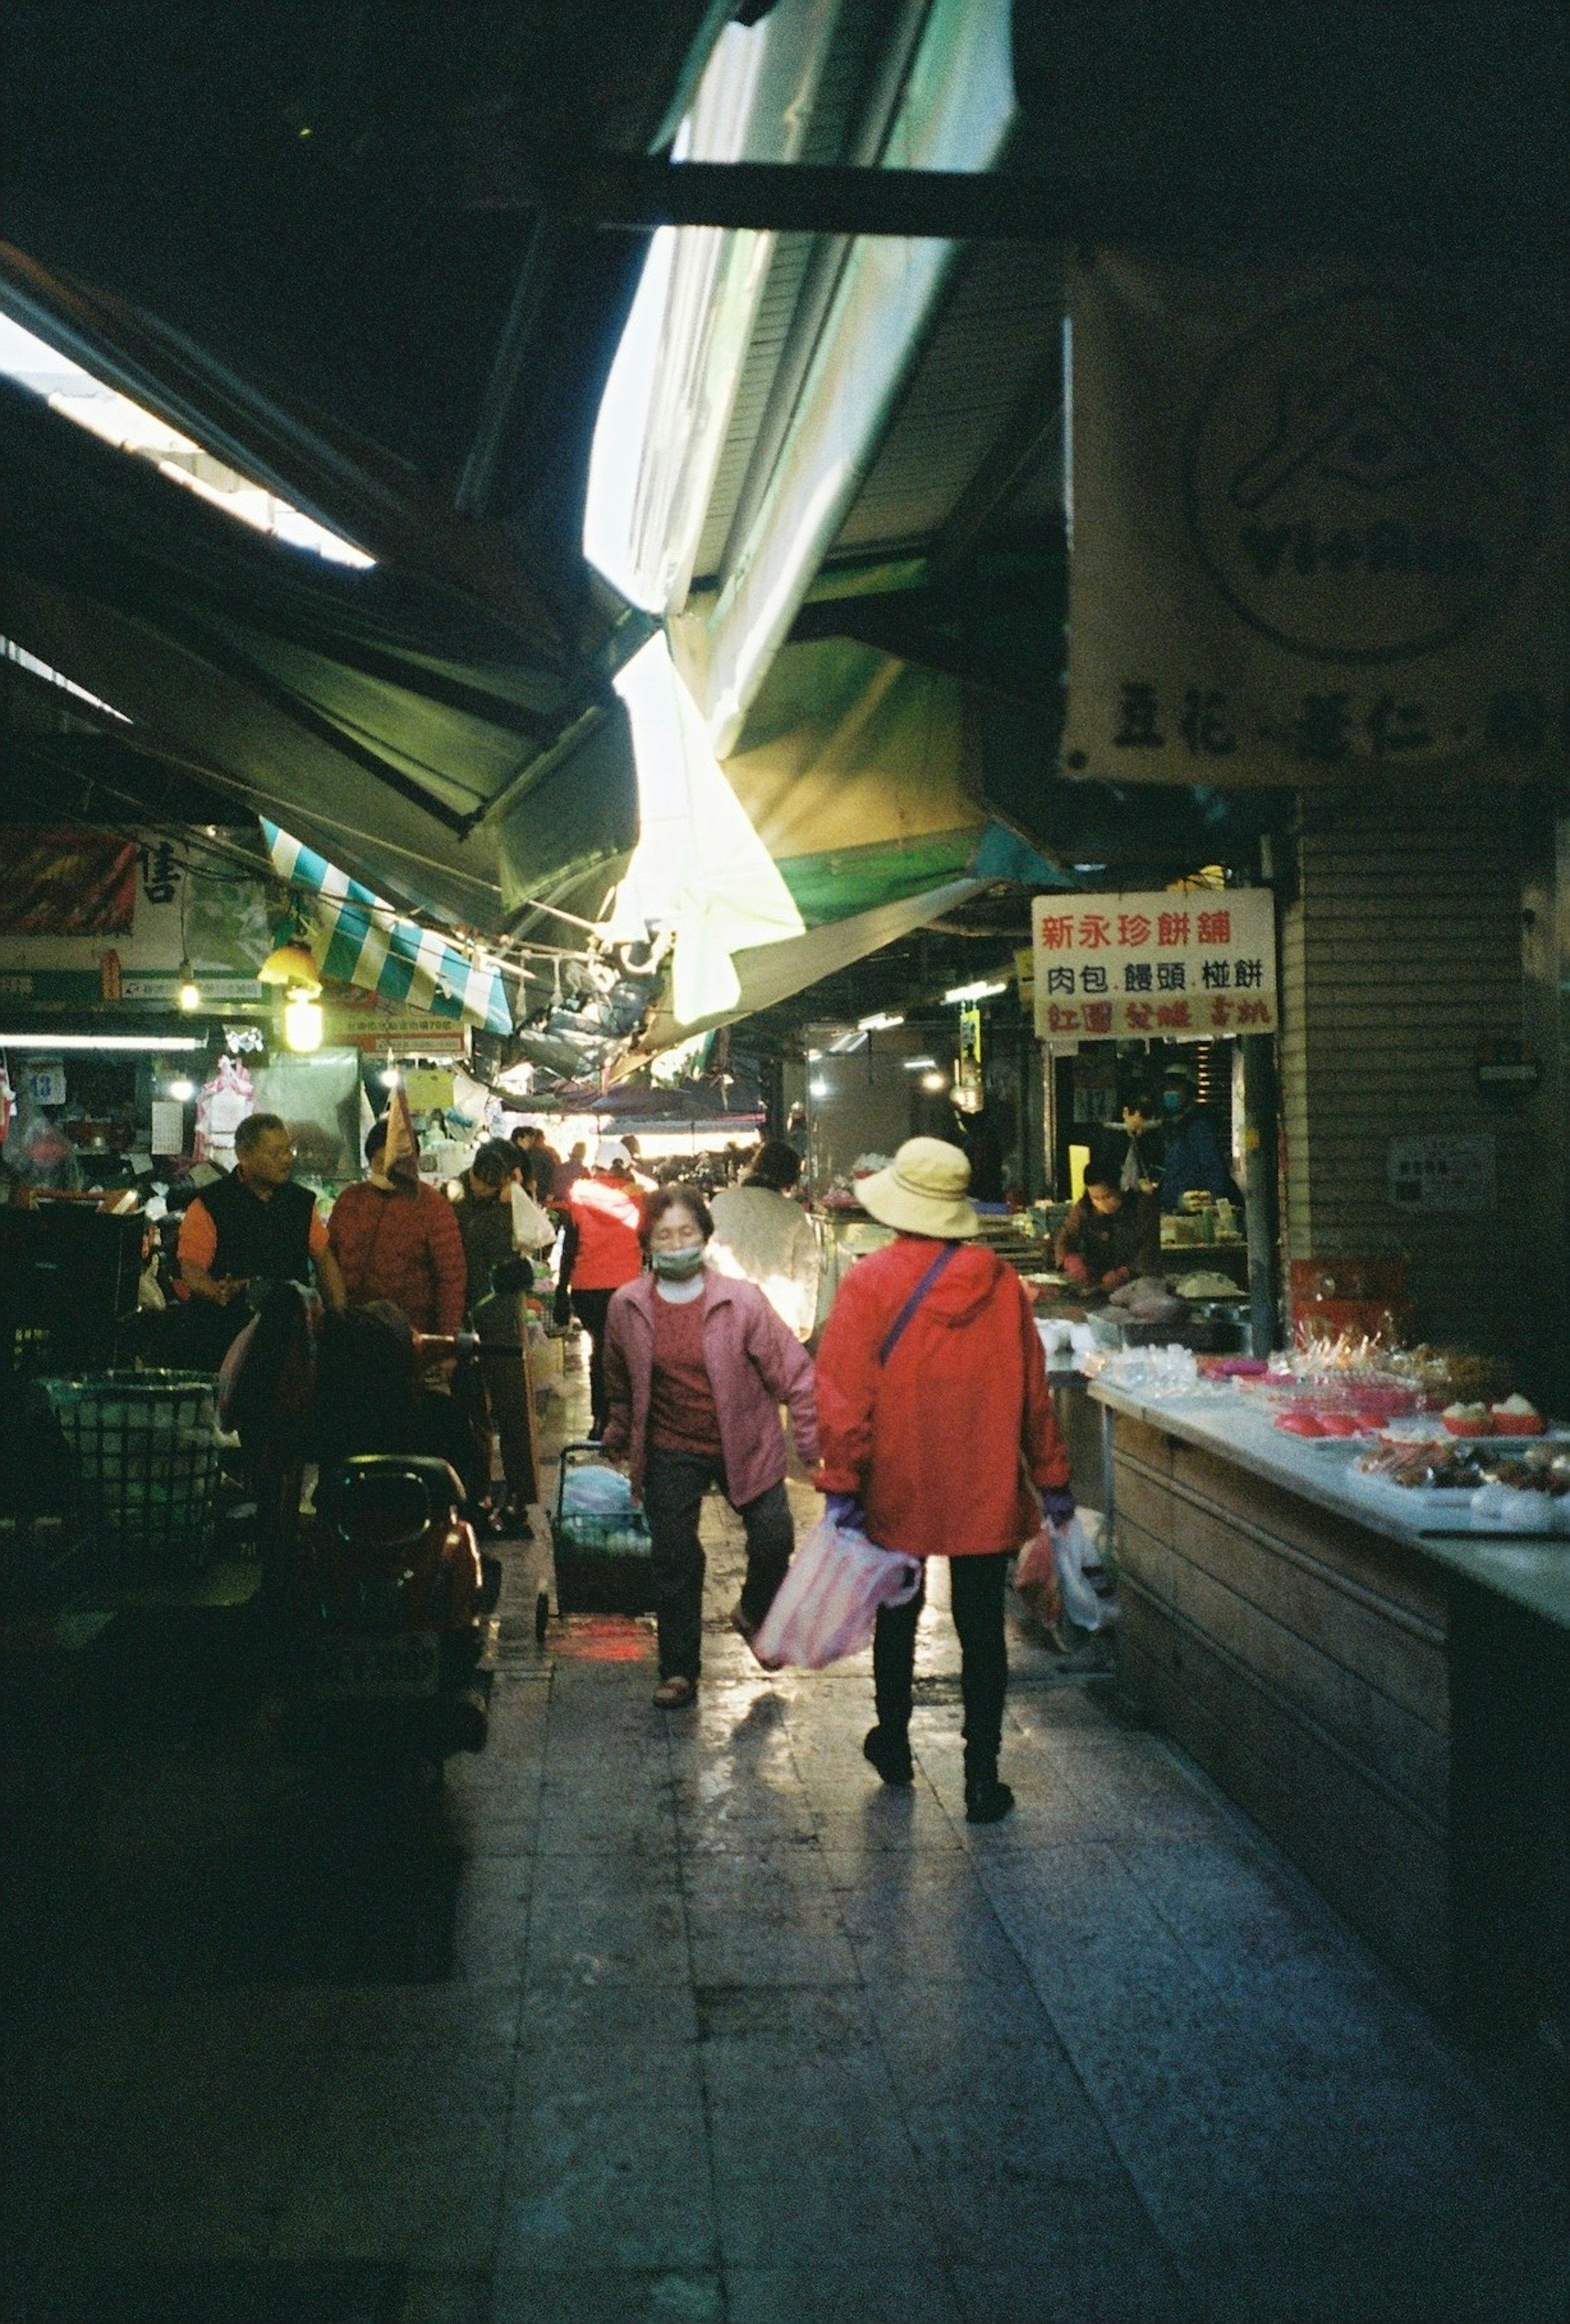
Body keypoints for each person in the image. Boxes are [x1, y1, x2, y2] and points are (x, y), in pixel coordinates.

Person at [814, 1136, 1074, 1824]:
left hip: (898, 1481)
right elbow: (1033, 1395)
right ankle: (982, 1777)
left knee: (898, 1614)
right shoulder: (1001, 1284)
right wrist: (1052, 1477)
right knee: (983, 1629)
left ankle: (894, 1742)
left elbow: (841, 1396)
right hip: (985, 1484)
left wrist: (842, 1482)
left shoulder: (869, 1282)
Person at [601, 1185, 818, 1709]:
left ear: (706, 1237)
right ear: (648, 1242)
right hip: (670, 1446)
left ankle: (752, 1610)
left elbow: (795, 1373)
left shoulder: (740, 1301)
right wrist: (619, 1428)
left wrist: (812, 1443)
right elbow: (617, 1377)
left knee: (773, 1539)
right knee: (675, 1557)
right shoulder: (627, 1305)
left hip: (746, 1440)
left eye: (688, 1233)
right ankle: (678, 1670)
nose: (677, 1244)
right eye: (665, 1235)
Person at [177, 1112, 346, 1366]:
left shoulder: (300, 1202)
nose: (287, 1160)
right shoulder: (211, 1203)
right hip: (224, 1337)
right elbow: (191, 1267)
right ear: (244, 1155)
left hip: (289, 1336)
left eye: (289, 1151)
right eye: (276, 1153)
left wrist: (338, 1317)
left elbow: (324, 1258)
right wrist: (216, 1291)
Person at [450, 1140, 536, 1530]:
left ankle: (520, 1493)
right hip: (465, 1319)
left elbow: (534, 1248)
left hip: (501, 1319)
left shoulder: (512, 1207)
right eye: (479, 1183)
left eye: (492, 1184)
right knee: (471, 1411)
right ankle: (475, 1491)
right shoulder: (454, 1202)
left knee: (512, 1409)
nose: (483, 1190)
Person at [327, 1115, 467, 1338]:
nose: (388, 1171)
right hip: (352, 1331)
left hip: (411, 1336)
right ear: (370, 1161)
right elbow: (330, 1261)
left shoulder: (432, 1206)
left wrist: (446, 1338)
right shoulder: (350, 1201)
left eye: (396, 1163)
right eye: (380, 1162)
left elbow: (451, 1276)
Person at [556, 1139, 644, 1435]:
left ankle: (600, 1420)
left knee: (600, 1350)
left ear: (596, 1166)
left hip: (586, 1290)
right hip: (626, 1289)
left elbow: (569, 1246)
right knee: (624, 1353)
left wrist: (561, 1291)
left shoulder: (579, 1193)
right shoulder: (639, 1196)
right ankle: (626, 1419)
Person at [707, 1139, 820, 1341]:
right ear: (791, 1178)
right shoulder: (793, 1213)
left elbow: (706, 1259)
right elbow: (806, 1270)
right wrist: (805, 1322)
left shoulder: (721, 1202)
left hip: (723, 1314)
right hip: (775, 1321)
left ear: (755, 1166)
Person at [1055, 1162, 1162, 1294]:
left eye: (1107, 1197)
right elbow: (1065, 1238)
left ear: (1120, 1188)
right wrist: (1070, 1261)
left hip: (1137, 1285)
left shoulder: (1142, 1206)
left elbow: (1150, 1249)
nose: (1102, 1204)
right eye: (1095, 1198)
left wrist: (1125, 1273)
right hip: (1097, 1282)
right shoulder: (1084, 1208)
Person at [1158, 1064, 1234, 1212]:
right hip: (1179, 1211)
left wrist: (1209, 1201)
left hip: (1199, 1213)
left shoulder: (1199, 1128)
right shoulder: (1175, 1130)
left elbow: (1214, 1171)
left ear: (1192, 1092)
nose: (1170, 1092)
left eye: (1177, 1087)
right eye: (1168, 1088)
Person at [1094, 1089, 1165, 1197]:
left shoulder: (1154, 1140)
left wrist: (1151, 1182)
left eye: (1146, 1126)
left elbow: (1159, 1166)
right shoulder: (1110, 1138)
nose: (1141, 1131)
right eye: (1137, 1126)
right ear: (1126, 1113)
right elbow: (1104, 1171)